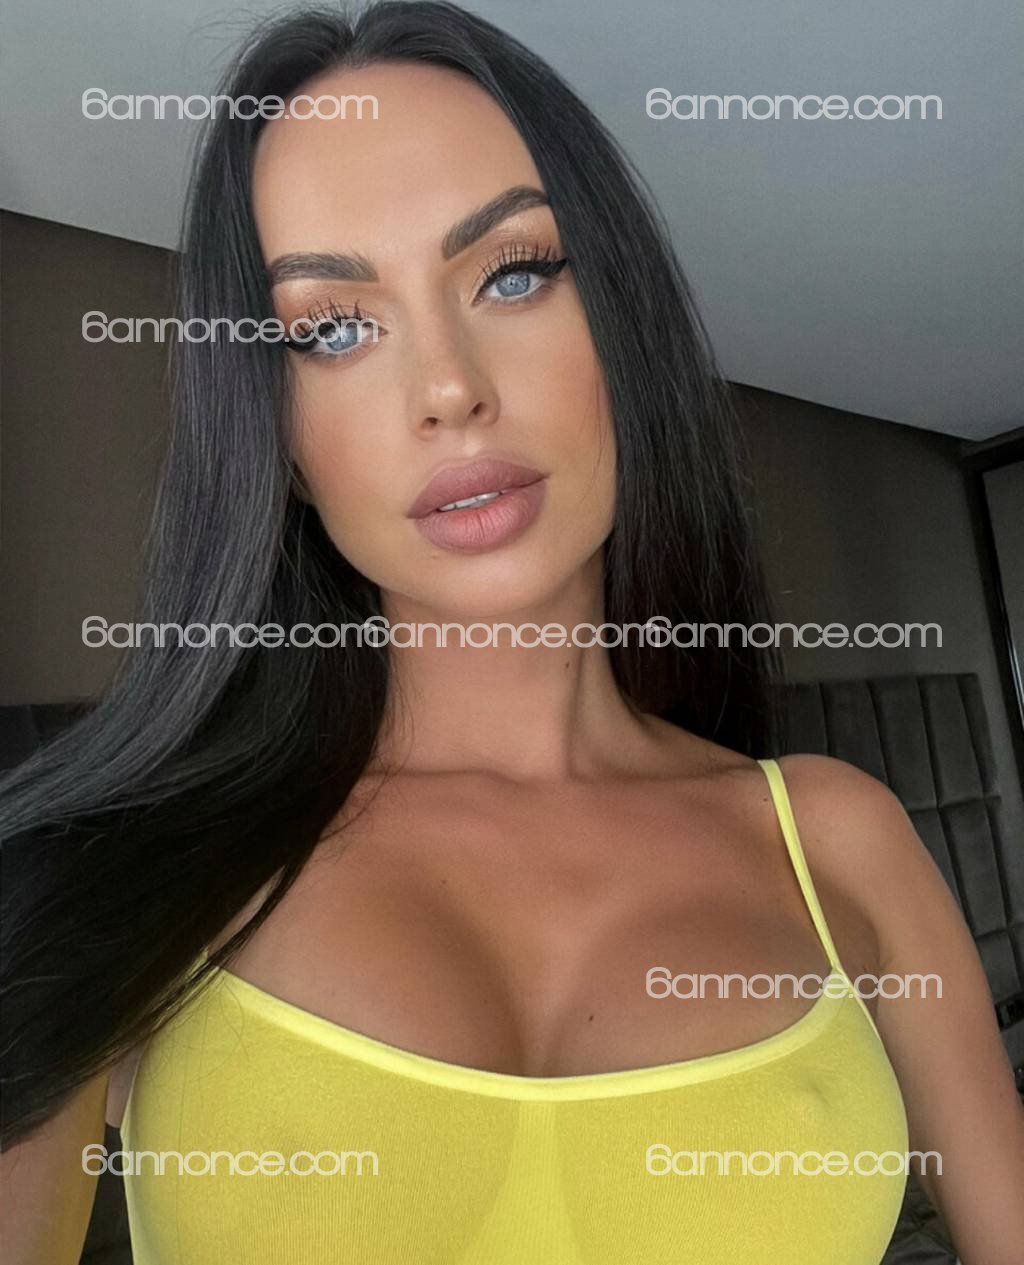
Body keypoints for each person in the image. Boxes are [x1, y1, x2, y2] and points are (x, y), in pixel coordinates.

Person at [2, 4, 1022, 1263]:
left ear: (627, 333)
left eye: (515, 272)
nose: (448, 387)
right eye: (330, 327)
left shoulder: (838, 842)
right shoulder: (108, 871)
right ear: (279, 441)